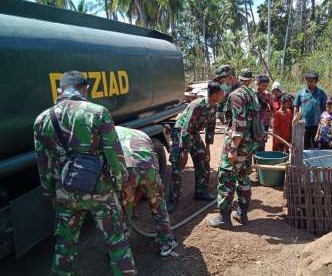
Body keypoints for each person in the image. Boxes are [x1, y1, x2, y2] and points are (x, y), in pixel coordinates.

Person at [33, 71, 137, 275]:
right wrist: (123, 186)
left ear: (59, 90)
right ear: (85, 89)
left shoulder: (41, 119)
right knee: (116, 243)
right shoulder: (98, 112)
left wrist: (50, 193)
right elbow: (115, 156)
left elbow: (43, 164)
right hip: (102, 192)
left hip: (66, 191)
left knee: (64, 245)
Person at [208, 68, 260, 228]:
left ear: (230, 78)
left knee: (226, 177)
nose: (220, 84)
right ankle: (242, 214)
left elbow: (240, 125)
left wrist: (233, 148)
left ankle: (224, 218)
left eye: (222, 81)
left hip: (238, 144)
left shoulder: (236, 95)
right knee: (243, 177)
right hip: (248, 144)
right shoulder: (249, 93)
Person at [115, 126, 178, 257]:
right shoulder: (141, 134)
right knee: (158, 205)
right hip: (149, 167)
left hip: (127, 167)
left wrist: (130, 202)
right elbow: (144, 185)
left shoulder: (108, 133)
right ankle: (166, 242)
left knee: (123, 206)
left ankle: (122, 248)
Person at [168, 81, 225, 210]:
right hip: (181, 132)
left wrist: (208, 148)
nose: (223, 95)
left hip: (193, 132)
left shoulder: (214, 106)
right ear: (215, 95)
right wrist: (185, 152)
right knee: (178, 165)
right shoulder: (197, 105)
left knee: (203, 161)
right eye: (222, 93)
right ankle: (172, 200)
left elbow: (211, 128)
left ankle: (201, 192)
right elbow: (186, 128)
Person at [293, 70, 328, 149]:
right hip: (304, 124)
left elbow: (325, 108)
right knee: (305, 145)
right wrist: (295, 117)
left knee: (317, 145)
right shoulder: (301, 93)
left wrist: (323, 121)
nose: (309, 83)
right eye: (308, 81)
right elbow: (296, 106)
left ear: (316, 81)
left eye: (312, 81)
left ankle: (316, 161)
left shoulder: (321, 93)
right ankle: (305, 161)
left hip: (317, 124)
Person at [255, 74, 272, 151]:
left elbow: (271, 107)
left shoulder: (267, 95)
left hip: (264, 123)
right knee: (253, 144)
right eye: (263, 85)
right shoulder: (252, 94)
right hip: (254, 123)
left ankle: (259, 161)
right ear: (258, 84)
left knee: (262, 144)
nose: (264, 87)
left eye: (266, 86)